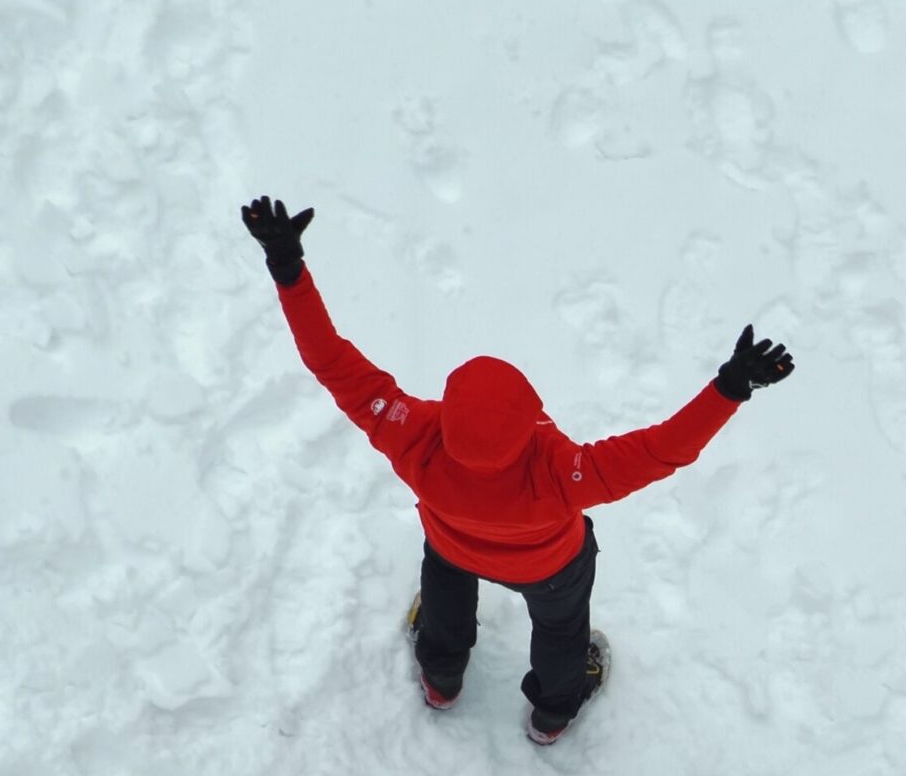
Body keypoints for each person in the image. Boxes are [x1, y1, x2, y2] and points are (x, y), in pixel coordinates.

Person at [242, 196, 794, 745]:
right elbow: (663, 450)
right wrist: (730, 389)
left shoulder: (413, 436)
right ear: (531, 414)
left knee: (443, 593)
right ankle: (553, 713)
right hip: (552, 570)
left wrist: (287, 267)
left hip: (453, 547)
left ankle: (441, 678)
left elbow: (330, 362)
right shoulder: (563, 472)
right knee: (560, 631)